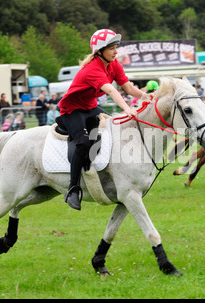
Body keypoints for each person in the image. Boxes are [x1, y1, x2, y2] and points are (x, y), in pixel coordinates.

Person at [58, 29, 153, 210]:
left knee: (115, 130)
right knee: (84, 143)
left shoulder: (114, 64)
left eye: (116, 47)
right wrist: (126, 108)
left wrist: (150, 97)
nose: (116, 51)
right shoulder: (92, 69)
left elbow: (130, 89)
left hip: (90, 106)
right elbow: (112, 91)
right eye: (112, 48)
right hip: (72, 110)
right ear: (99, 51)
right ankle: (72, 188)